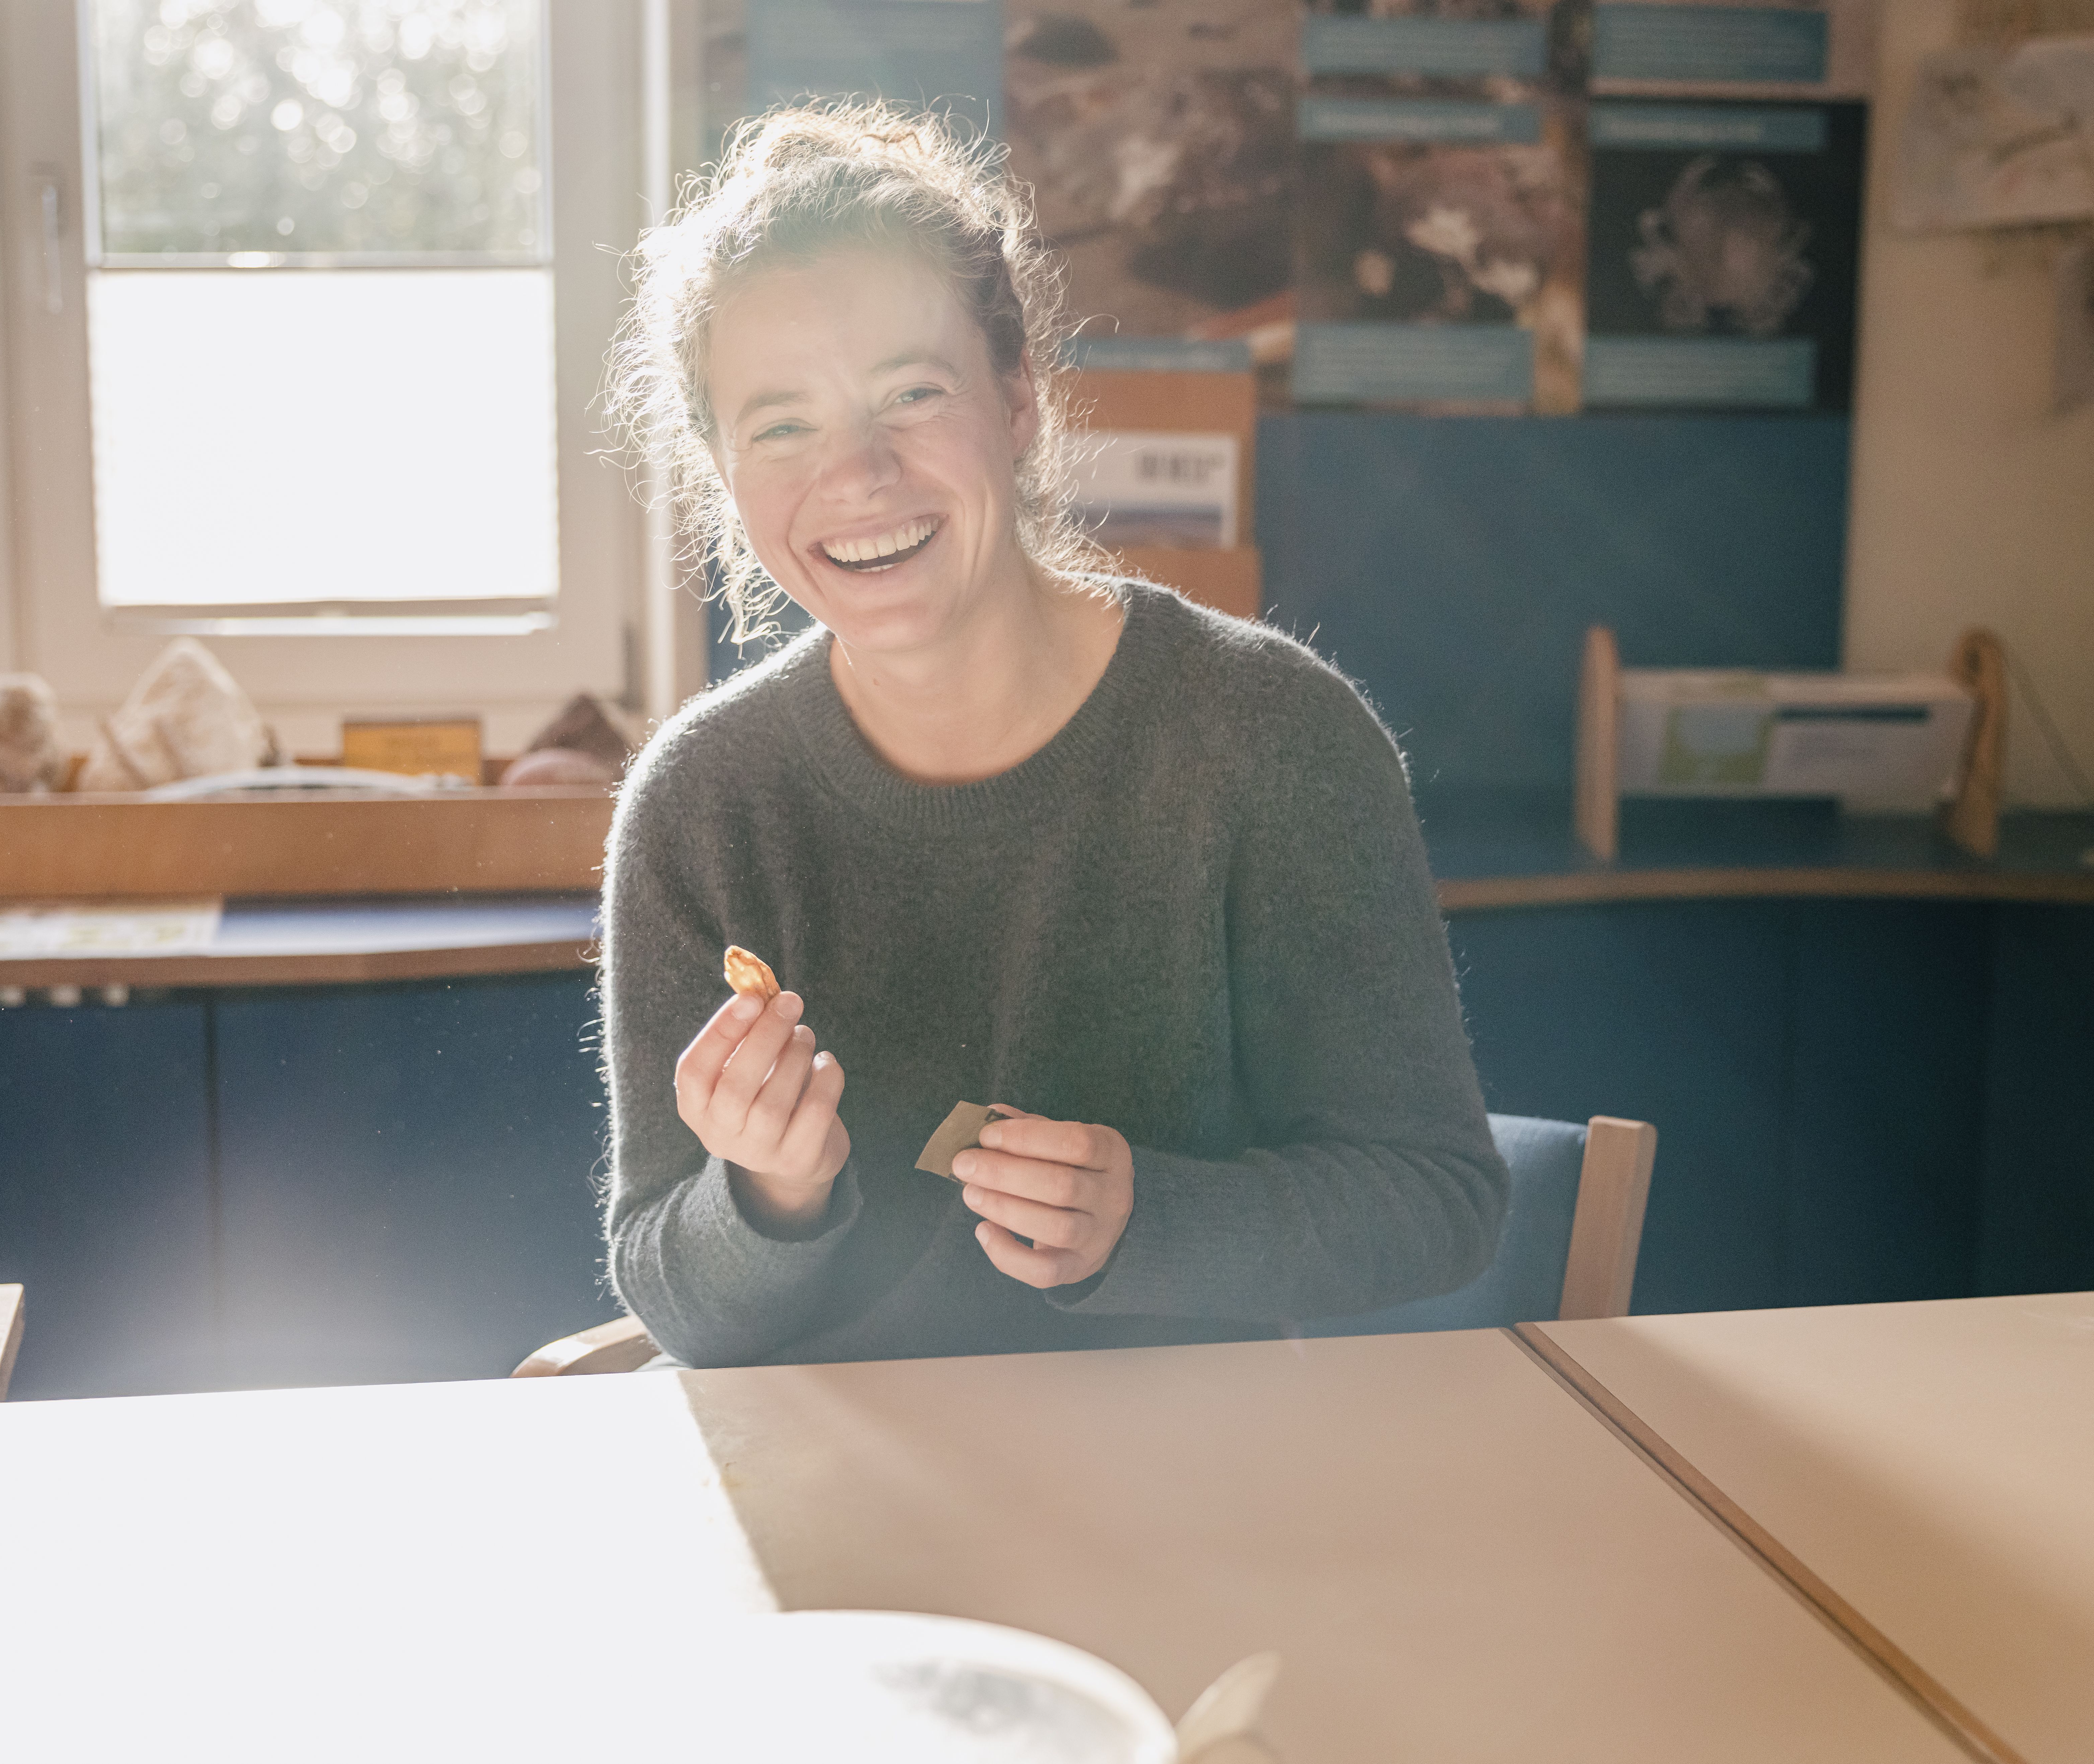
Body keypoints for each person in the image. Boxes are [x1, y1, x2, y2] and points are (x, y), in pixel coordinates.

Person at [597, 102, 1506, 1368]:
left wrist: (1153, 1219)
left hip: (1197, 1496)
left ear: (1016, 396)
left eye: (911, 394)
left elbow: (1437, 1199)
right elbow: (668, 1288)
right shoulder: (703, 801)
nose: (857, 474)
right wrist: (765, 1198)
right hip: (841, 1500)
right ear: (722, 471)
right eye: (783, 425)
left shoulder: (1269, 739)